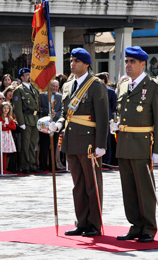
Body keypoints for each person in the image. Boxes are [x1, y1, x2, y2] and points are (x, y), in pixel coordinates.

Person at [49, 48, 109, 237]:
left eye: (76, 61)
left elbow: (102, 116)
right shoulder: (67, 85)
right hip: (71, 141)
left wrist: (101, 144)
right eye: (71, 60)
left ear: (86, 64)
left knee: (92, 184)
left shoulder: (96, 85)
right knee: (78, 185)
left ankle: (94, 224)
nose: (72, 63)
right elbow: (66, 114)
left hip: (89, 142)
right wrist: (58, 125)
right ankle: (81, 222)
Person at [112, 46, 158, 243]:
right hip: (124, 144)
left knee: (145, 189)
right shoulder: (123, 86)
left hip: (143, 145)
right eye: (127, 61)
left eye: (132, 62)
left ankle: (148, 227)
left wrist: (156, 151)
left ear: (143, 64)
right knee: (128, 189)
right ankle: (135, 225)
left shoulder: (154, 86)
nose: (128, 65)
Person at [12, 67, 40, 173]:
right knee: (25, 144)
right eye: (27, 75)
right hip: (26, 119)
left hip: (34, 118)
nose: (29, 76)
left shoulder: (33, 88)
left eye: (29, 74)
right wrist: (21, 122)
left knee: (33, 143)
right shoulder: (19, 90)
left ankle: (32, 165)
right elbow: (17, 108)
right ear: (22, 77)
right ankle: (25, 166)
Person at [39, 79, 62, 171]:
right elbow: (39, 108)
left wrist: (55, 114)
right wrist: (48, 112)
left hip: (55, 124)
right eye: (53, 86)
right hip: (44, 124)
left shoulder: (60, 97)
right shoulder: (42, 95)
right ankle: (43, 166)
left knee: (53, 145)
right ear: (49, 87)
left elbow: (61, 110)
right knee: (44, 145)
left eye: (56, 87)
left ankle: (53, 166)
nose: (54, 88)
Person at [0, 102, 17, 173]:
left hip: (7, 135)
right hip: (1, 135)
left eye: (7, 108)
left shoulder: (9, 117)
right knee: (0, 152)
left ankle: (4, 169)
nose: (6, 110)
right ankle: (0, 169)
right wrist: (8, 126)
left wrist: (6, 126)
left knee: (5, 152)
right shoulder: (0, 116)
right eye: (4, 108)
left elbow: (14, 127)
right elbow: (2, 128)